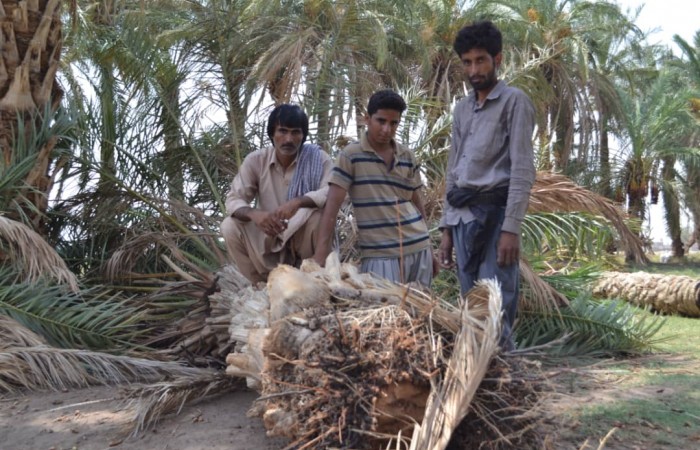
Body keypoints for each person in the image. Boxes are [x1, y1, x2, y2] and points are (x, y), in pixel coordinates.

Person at [437, 21, 536, 350]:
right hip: (463, 219)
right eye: (467, 62)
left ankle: (506, 380)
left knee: (497, 304)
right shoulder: (462, 109)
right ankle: (477, 381)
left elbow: (522, 169)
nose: (474, 69)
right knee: (471, 306)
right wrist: (446, 230)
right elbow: (454, 171)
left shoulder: (514, 102)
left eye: (481, 60)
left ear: (498, 59)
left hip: (495, 219)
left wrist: (511, 228)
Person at [313, 89, 438, 287]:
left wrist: (430, 249)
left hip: (418, 248)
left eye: (393, 123)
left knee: (418, 314)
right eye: (381, 121)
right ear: (367, 119)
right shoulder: (351, 156)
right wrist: (320, 255)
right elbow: (332, 206)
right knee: (385, 313)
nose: (387, 129)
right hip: (380, 255)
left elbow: (417, 203)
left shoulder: (407, 156)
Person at [221, 104, 333, 284]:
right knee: (230, 226)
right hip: (269, 237)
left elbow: (332, 192)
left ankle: (316, 279)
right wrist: (255, 215)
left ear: (303, 136)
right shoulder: (256, 160)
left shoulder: (318, 159)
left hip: (303, 239)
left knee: (318, 217)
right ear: (272, 133)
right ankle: (257, 286)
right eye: (282, 131)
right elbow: (234, 199)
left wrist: (298, 202)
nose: (288, 139)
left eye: (295, 132)